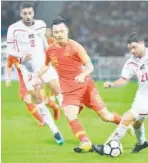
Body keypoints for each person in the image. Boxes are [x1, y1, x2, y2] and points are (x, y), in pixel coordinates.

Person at [37, 17, 126, 153]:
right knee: (69, 114)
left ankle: (127, 124)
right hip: (68, 89)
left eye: (61, 31)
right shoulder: (50, 50)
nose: (59, 34)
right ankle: (85, 142)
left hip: (85, 86)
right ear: (53, 34)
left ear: (66, 30)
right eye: (56, 32)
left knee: (105, 116)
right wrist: (36, 77)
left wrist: (83, 74)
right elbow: (45, 66)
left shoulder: (75, 47)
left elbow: (90, 66)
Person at [6, 2, 63, 144]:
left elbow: (43, 41)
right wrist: (21, 57)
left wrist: (50, 54)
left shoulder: (41, 24)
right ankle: (55, 130)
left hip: (44, 65)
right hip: (28, 70)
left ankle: (68, 114)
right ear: (21, 14)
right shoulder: (13, 29)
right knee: (39, 101)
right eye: (24, 13)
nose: (27, 16)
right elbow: (10, 50)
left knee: (57, 90)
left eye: (30, 13)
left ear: (33, 13)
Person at [6, 55, 61, 121]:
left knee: (42, 100)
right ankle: (42, 121)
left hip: (35, 77)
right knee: (27, 99)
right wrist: (8, 79)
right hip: (23, 80)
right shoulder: (11, 55)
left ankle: (55, 107)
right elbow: (8, 66)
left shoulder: (28, 51)